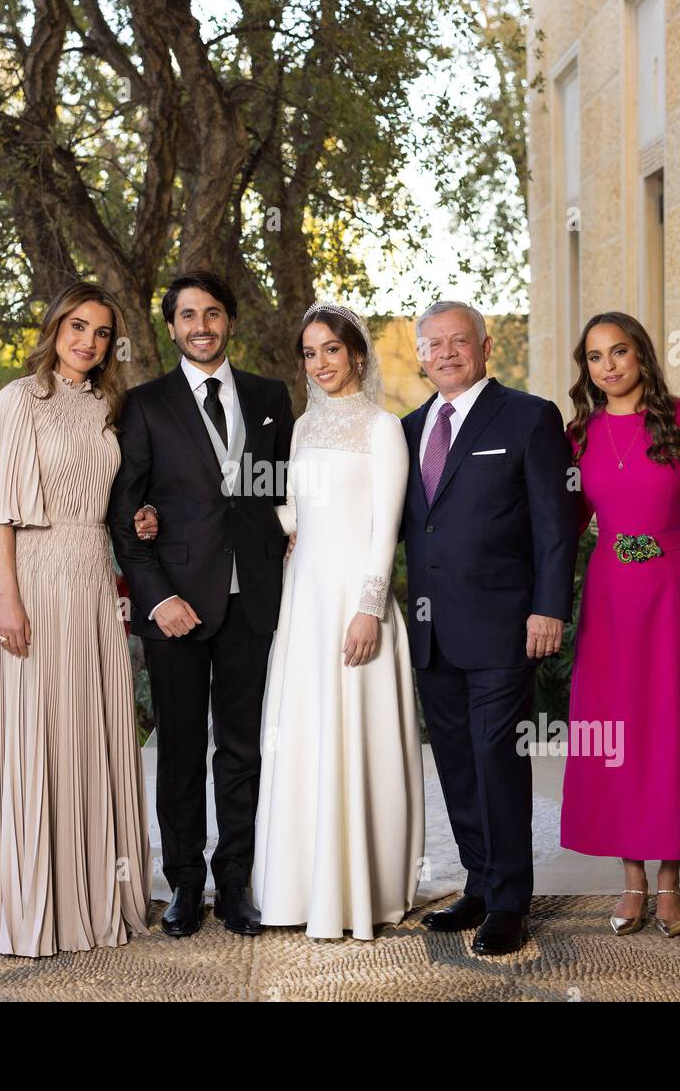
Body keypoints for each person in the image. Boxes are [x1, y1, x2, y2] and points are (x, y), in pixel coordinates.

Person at [0, 281, 152, 955]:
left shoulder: (111, 405)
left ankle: (94, 893)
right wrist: (8, 595)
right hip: (33, 580)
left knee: (88, 729)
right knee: (33, 733)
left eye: (101, 332)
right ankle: (28, 904)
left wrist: (143, 516)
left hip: (94, 577)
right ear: (54, 328)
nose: (88, 341)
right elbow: (1, 510)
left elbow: (119, 496)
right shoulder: (18, 399)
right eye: (77, 326)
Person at [107, 271, 294, 938]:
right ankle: (185, 883)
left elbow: (275, 490)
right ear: (172, 326)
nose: (201, 324)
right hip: (177, 605)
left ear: (229, 320)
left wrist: (293, 532)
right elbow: (126, 514)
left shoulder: (271, 397)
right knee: (181, 749)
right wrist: (158, 599)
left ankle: (234, 883)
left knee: (242, 750)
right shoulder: (145, 404)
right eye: (188, 314)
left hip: (253, 599)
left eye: (212, 312)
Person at [561, 312, 680, 937]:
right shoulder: (579, 435)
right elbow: (555, 522)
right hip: (612, 597)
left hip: (671, 592)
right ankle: (632, 882)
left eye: (619, 352)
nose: (608, 366)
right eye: (595, 357)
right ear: (585, 368)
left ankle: (670, 883)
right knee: (617, 733)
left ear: (641, 355)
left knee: (673, 727)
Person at [402, 300, 576, 956]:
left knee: (496, 755)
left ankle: (509, 900)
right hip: (432, 628)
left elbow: (555, 524)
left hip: (506, 625)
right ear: (420, 354)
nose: (446, 352)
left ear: (485, 344)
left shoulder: (530, 417)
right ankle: (476, 881)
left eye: (459, 341)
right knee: (454, 759)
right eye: (434, 343)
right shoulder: (409, 427)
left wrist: (549, 606)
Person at [247, 303, 424, 940]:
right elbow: (293, 513)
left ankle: (362, 892)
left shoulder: (384, 429)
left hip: (355, 601)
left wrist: (368, 608)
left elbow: (386, 528)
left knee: (357, 734)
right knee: (303, 734)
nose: (320, 364)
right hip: (306, 600)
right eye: (310, 353)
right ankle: (300, 887)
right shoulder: (299, 428)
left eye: (331, 350)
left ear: (355, 354)